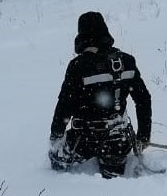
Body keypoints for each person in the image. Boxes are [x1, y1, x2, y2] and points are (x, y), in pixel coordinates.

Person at [49, 11, 152, 178]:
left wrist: (56, 136)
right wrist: (143, 136)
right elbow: (143, 100)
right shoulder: (126, 61)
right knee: (113, 177)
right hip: (119, 140)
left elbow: (64, 106)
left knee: (56, 159)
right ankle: (113, 167)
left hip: (83, 141)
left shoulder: (78, 66)